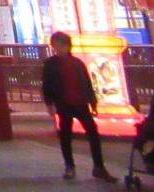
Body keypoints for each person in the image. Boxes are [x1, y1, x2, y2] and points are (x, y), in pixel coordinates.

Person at [43, 31, 116, 182]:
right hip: (63, 103)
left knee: (93, 133)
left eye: (59, 44)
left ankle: (99, 167)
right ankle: (69, 166)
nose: (57, 48)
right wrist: (49, 103)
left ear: (66, 45)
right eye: (55, 44)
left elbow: (86, 82)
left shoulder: (77, 63)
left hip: (80, 103)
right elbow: (47, 84)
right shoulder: (51, 64)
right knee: (65, 135)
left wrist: (93, 102)